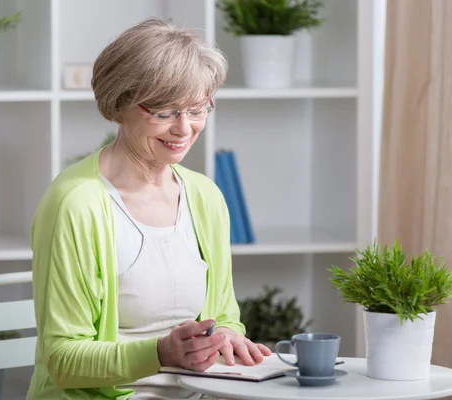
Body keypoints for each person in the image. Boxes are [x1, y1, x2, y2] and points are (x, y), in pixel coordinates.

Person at [25, 18, 271, 400]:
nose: (184, 129)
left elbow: (224, 317)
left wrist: (227, 336)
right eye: (164, 112)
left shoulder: (205, 197)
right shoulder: (75, 204)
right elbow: (62, 360)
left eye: (197, 109)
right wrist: (161, 353)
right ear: (120, 103)